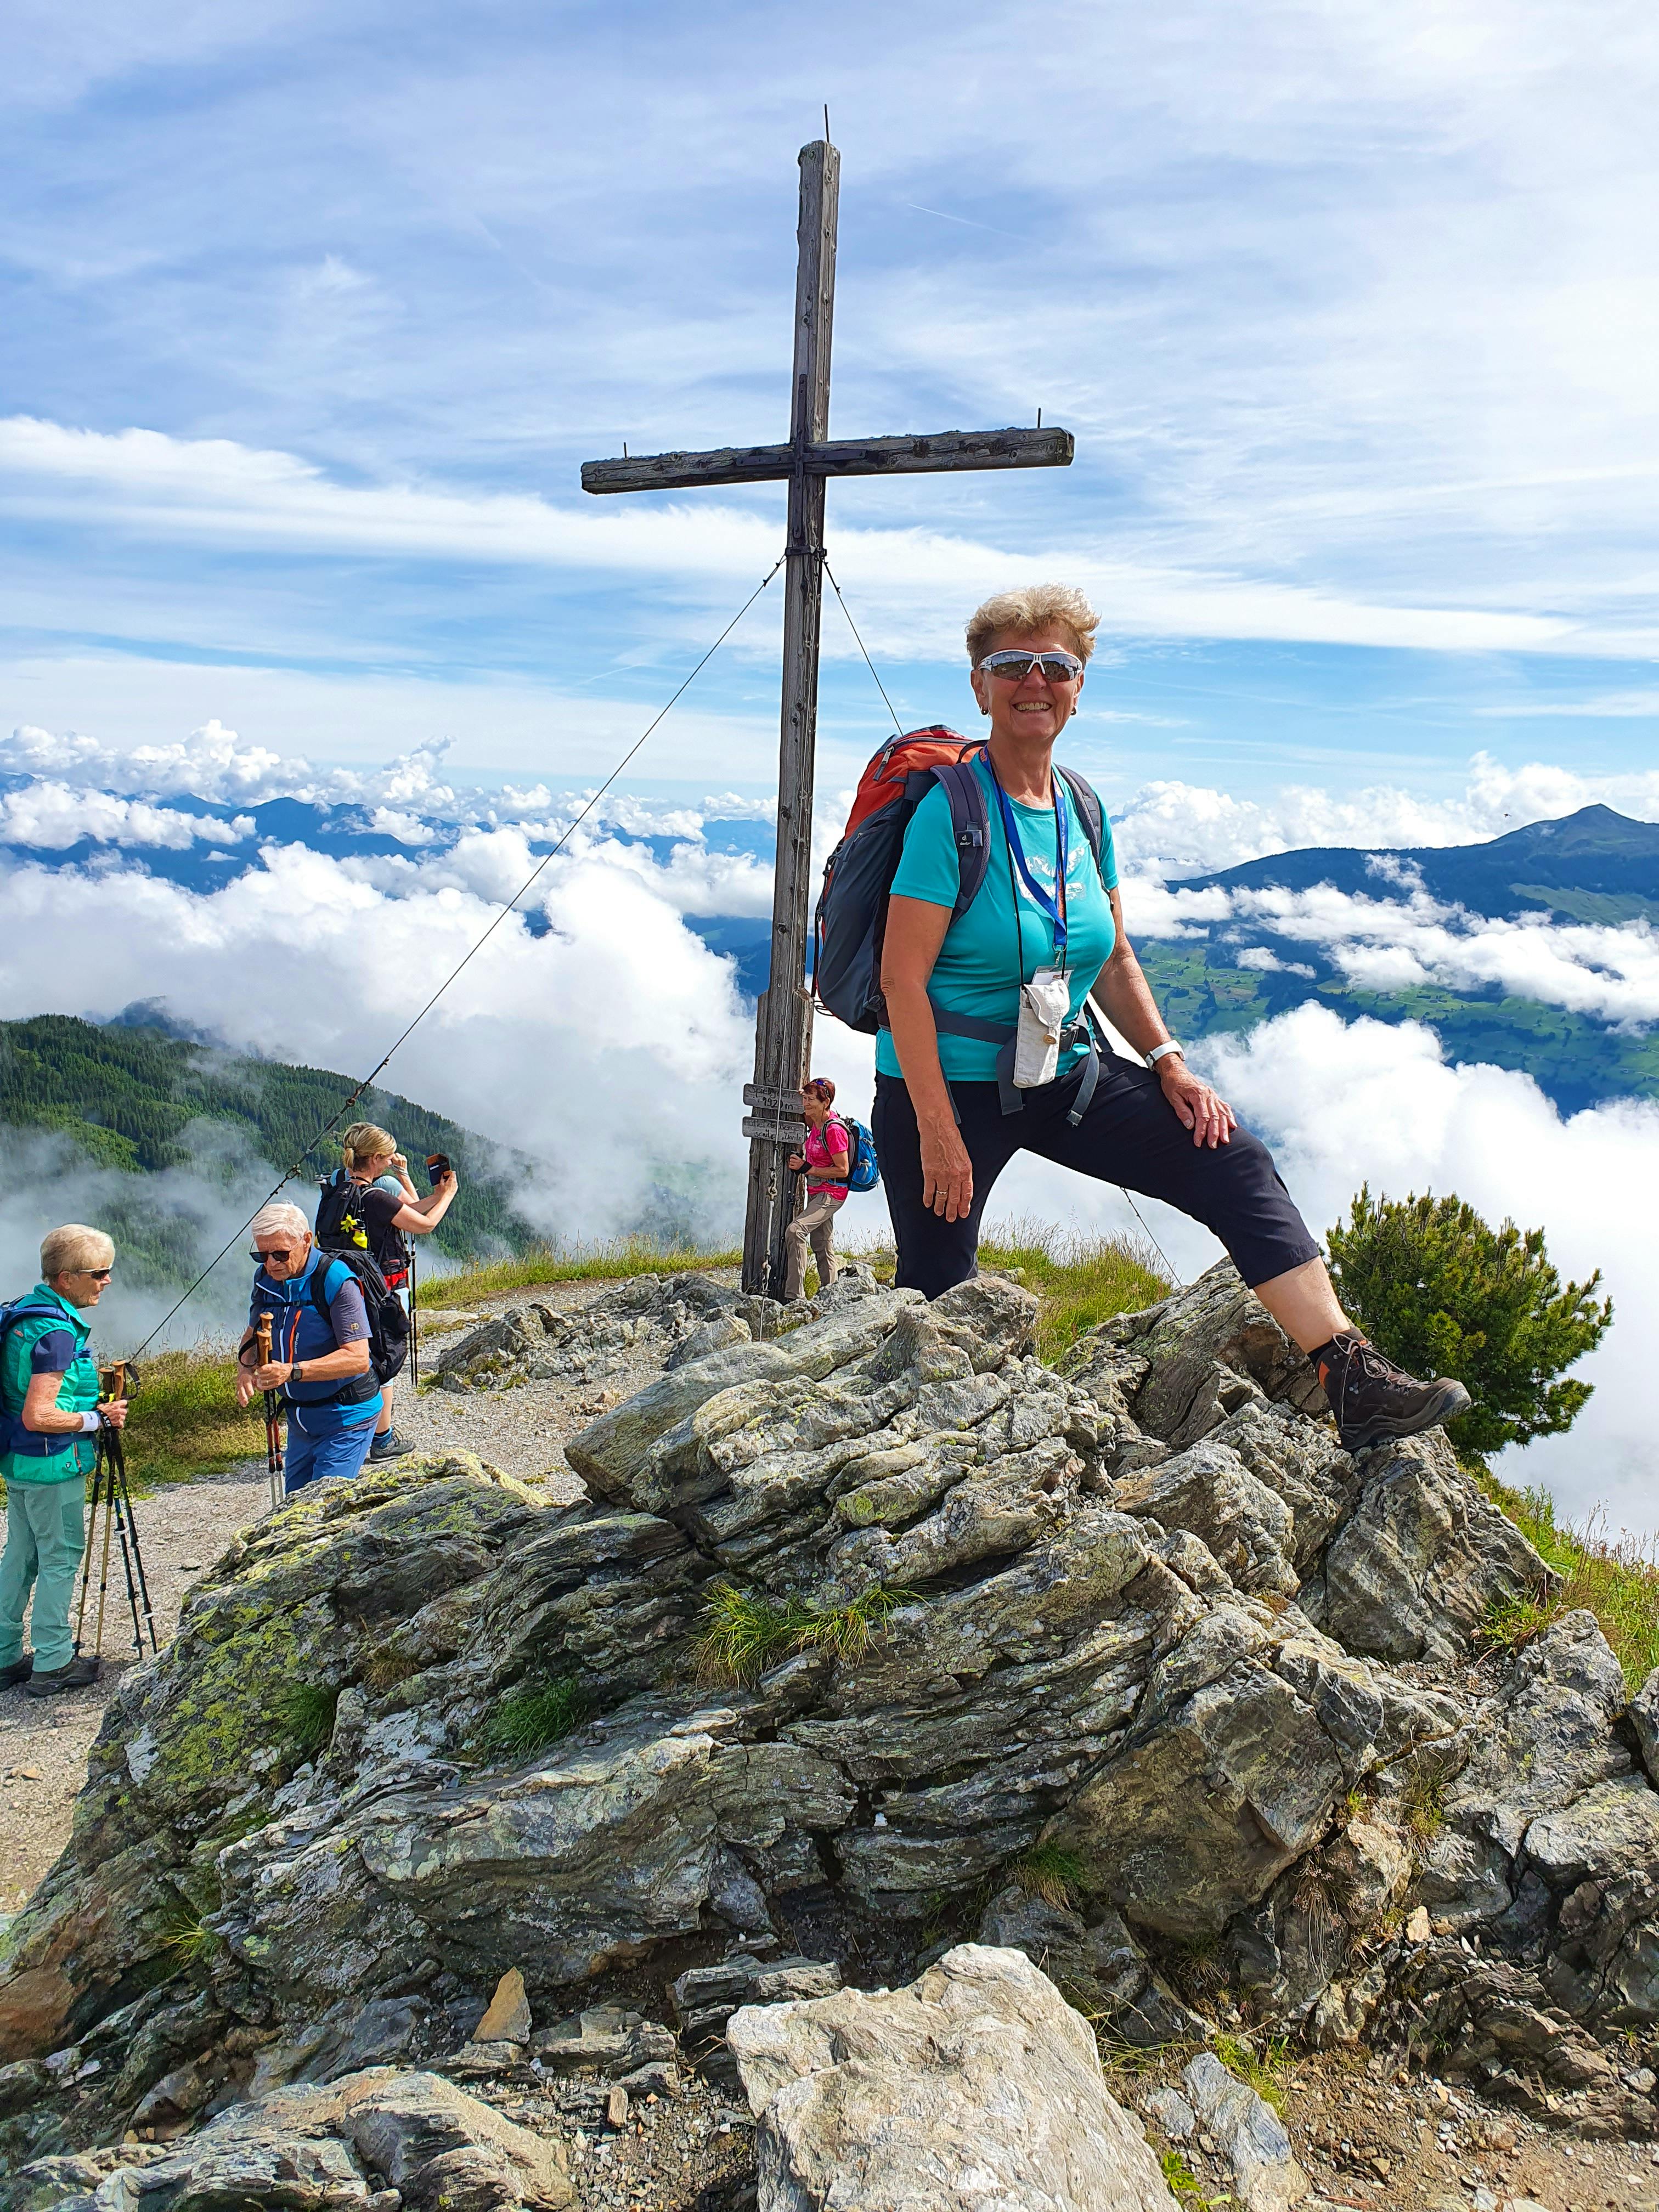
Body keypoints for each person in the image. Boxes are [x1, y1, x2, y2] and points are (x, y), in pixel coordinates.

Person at [873, 583, 1472, 1455]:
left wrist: (1168, 1060)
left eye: (1058, 666)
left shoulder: (1081, 809)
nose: (1034, 680)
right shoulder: (949, 814)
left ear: (1079, 687)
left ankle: (1352, 1379)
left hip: (1060, 1072)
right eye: (1012, 664)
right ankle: (917, 1479)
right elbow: (901, 979)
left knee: (1231, 1158)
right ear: (979, 685)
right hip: (947, 1089)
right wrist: (933, 1126)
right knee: (939, 1294)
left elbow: (1113, 957)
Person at [0, 1225, 128, 1697]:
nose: (107, 1281)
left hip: (19, 1461)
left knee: (21, 1556)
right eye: (100, 1272)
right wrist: (97, 1419)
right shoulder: (55, 1332)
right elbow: (40, 1414)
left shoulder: (22, 1315)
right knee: (59, 1558)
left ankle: (5, 1656)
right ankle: (53, 1661)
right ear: (66, 1278)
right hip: (52, 1463)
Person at [321, 1124, 459, 1460]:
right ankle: (381, 1438)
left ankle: (352, 1425)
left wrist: (434, 1196)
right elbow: (424, 1225)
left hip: (342, 1286)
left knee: (354, 1352)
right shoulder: (376, 1197)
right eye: (386, 1159)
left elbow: (405, 1211)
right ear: (378, 1158)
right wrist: (449, 1197)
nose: (388, 1164)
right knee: (384, 1356)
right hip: (381, 1289)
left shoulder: (336, 1191)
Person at [236, 1201, 381, 1494]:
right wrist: (245, 1369)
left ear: (306, 1240)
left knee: (323, 1510)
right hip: (301, 1420)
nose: (272, 1263)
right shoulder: (267, 1280)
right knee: (294, 1509)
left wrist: (291, 1372)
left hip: (346, 1416)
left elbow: (358, 1359)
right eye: (261, 1255)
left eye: (280, 1253)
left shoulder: (336, 1280)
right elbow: (253, 1332)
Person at [783, 1077, 851, 1301]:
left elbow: (842, 1170)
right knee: (821, 1244)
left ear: (826, 1102)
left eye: (811, 1099)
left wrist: (808, 1168)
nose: (806, 1103)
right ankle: (830, 1296)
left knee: (796, 1231)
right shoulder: (815, 1122)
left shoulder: (833, 1130)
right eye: (804, 1098)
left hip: (831, 1193)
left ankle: (795, 1297)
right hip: (817, 1193)